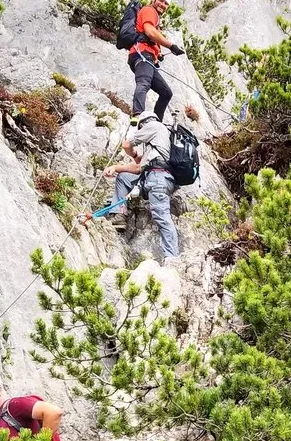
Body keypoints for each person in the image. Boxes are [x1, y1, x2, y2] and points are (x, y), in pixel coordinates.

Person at [88, 111, 180, 259]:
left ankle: (172, 258)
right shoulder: (159, 140)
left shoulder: (154, 126)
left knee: (162, 218)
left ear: (144, 124)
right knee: (124, 177)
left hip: (157, 179)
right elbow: (139, 168)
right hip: (155, 177)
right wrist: (117, 168)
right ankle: (119, 215)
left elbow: (126, 145)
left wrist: (133, 153)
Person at [128, 0, 184, 121]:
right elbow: (150, 31)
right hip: (142, 54)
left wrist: (158, 55)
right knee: (143, 82)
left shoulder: (155, 17)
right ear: (153, 1)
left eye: (166, 3)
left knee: (166, 93)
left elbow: (150, 37)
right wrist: (171, 46)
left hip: (145, 56)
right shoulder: (149, 10)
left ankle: (157, 123)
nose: (163, 5)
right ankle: (138, 116)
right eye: (161, 1)